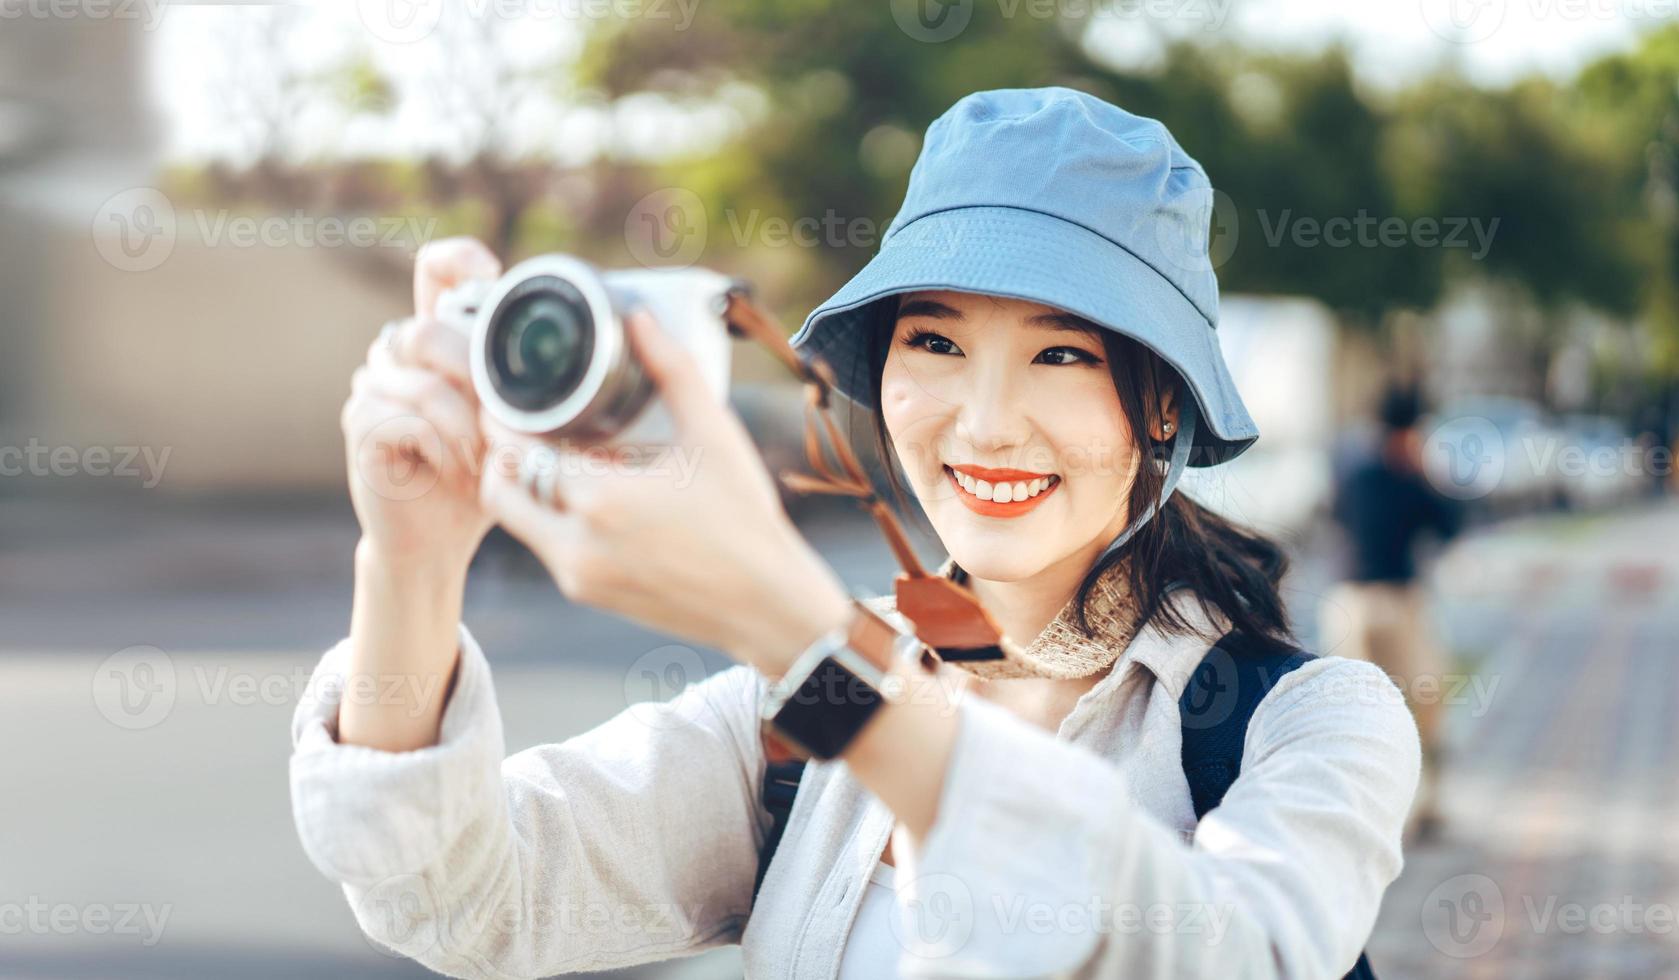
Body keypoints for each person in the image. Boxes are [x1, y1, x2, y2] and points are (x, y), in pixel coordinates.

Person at [291, 87, 1419, 979]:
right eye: (933, 342)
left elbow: (1224, 954)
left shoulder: (1306, 723)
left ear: (1161, 404)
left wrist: (793, 629)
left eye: (1061, 353)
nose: (982, 423)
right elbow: (463, 897)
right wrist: (410, 556)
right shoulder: (791, 720)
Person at [1321, 385, 1461, 842]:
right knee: (1392, 706)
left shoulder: (1363, 471)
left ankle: (1404, 807)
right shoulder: (1385, 475)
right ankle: (1393, 809)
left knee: (1398, 704)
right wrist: (1424, 475)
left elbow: (1446, 525)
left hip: (1371, 600)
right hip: (1377, 601)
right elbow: (1449, 525)